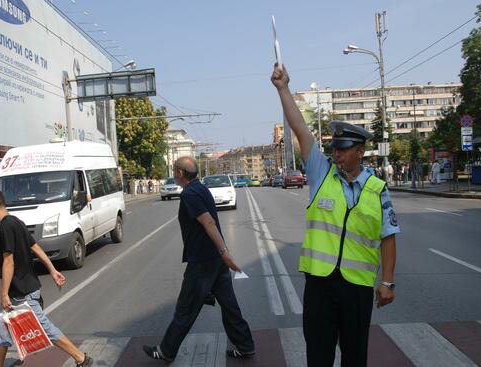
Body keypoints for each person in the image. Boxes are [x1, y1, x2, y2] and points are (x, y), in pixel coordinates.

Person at [272, 64, 400, 367]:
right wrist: (283, 89)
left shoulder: (377, 189)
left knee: (355, 357)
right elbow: (301, 130)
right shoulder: (320, 174)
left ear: (361, 151)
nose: (337, 154)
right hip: (319, 285)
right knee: (318, 356)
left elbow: (388, 235)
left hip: (357, 289)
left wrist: (389, 282)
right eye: (334, 148)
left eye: (343, 149)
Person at [143, 157, 255, 362]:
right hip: (214, 259)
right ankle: (245, 345)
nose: (174, 173)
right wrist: (222, 254)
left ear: (180, 174)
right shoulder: (201, 188)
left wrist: (225, 253)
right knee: (229, 306)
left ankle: (166, 351)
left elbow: (209, 222)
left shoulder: (189, 194)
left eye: (174, 170)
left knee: (185, 309)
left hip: (203, 261)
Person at [0, 189, 93, 367]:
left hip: (23, 292)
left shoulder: (5, 227)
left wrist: (3, 294)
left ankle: (81, 358)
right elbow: (36, 247)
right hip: (22, 289)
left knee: (46, 329)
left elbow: (8, 261)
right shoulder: (16, 221)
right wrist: (53, 270)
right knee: (1, 329)